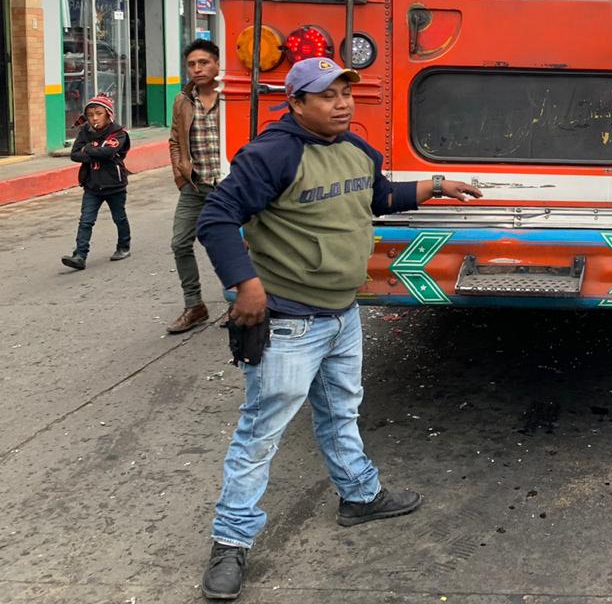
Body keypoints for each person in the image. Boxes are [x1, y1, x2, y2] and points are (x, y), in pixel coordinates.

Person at [195, 57, 482, 601]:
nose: (342, 103)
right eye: (327, 96)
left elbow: (379, 196)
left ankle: (359, 496)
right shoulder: (272, 153)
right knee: (261, 432)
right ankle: (230, 543)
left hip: (342, 314)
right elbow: (216, 217)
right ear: (297, 103)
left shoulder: (354, 149)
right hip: (288, 320)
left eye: (346, 92)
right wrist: (245, 285)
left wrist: (438, 185)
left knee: (341, 409)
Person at [167, 39, 222, 334]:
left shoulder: (231, 96)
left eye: (204, 62)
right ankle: (194, 305)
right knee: (179, 243)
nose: (197, 69)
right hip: (195, 185)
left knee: (237, 244)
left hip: (229, 187)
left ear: (217, 64)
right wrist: (180, 174)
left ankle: (239, 302)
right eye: (191, 64)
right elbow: (175, 139)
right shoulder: (182, 100)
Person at [61, 94, 131, 270]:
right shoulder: (85, 131)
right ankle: (80, 255)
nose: (94, 118)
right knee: (86, 220)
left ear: (107, 114)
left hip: (114, 185)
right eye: (90, 114)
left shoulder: (118, 132)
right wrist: (97, 149)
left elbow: (108, 152)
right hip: (92, 185)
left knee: (119, 218)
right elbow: (75, 154)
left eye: (98, 113)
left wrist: (89, 148)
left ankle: (123, 247)